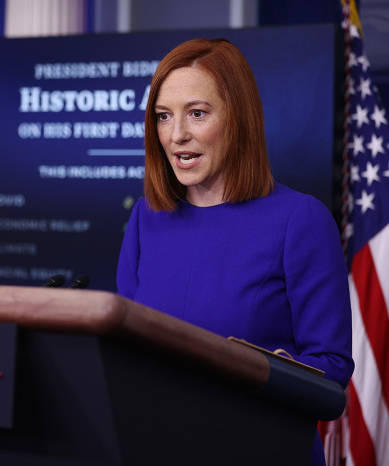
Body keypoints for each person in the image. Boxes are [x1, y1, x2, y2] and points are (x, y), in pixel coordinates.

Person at [116, 38, 354, 465]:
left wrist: (276, 371)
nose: (177, 135)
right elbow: (125, 352)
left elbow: (332, 365)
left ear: (238, 119)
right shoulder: (145, 219)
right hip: (156, 447)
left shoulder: (300, 219)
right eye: (164, 117)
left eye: (197, 113)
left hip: (261, 448)